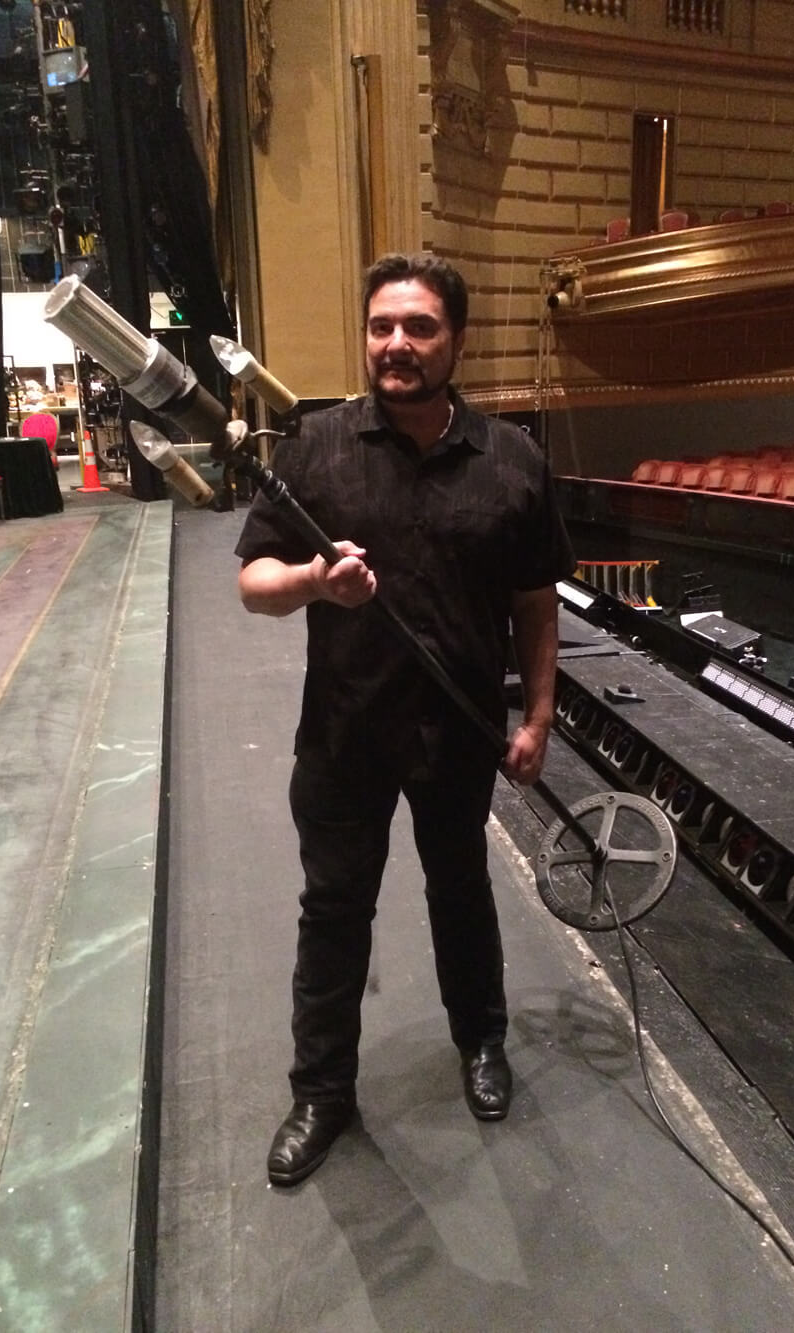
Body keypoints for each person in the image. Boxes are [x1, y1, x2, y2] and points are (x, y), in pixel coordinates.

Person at [235, 253, 576, 1186]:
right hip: (345, 733)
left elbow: (536, 602)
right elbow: (253, 581)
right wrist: (314, 582)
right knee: (335, 910)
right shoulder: (316, 448)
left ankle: (481, 1044)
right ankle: (322, 1093)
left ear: (454, 340)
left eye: (419, 327)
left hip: (460, 732)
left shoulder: (513, 462)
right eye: (382, 325)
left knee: (461, 895)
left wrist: (538, 713)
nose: (397, 344)